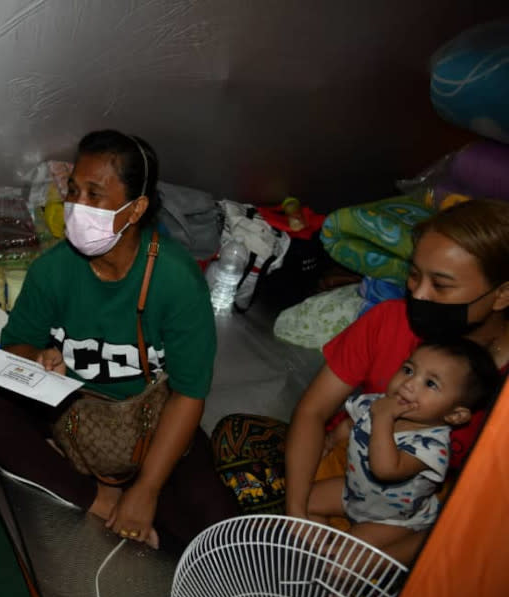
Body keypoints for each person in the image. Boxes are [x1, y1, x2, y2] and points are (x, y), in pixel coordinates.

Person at [0, 130, 238, 554]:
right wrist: (38, 358)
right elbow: (15, 349)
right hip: (69, 414)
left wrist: (148, 489)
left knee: (219, 535)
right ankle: (96, 497)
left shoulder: (176, 281)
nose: (76, 207)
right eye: (73, 191)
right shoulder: (54, 270)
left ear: (136, 208)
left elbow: (188, 394)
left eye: (95, 194)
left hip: (149, 425)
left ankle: (131, 497)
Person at [212, 198, 509, 564]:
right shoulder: (389, 320)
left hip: (416, 517)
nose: (418, 293)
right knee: (236, 437)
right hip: (343, 471)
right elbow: (313, 412)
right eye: (414, 274)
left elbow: (482, 511)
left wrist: (394, 557)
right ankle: (291, 547)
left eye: (441, 285)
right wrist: (296, 511)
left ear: (502, 294)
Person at [307, 339, 500, 551]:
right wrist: (331, 440)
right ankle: (320, 548)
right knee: (301, 500)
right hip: (353, 492)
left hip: (392, 520)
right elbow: (351, 423)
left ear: (455, 415)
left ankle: (337, 558)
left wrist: (383, 418)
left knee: (345, 560)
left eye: (430, 384)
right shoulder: (379, 404)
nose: (409, 383)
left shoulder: (432, 446)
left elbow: (386, 469)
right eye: (408, 370)